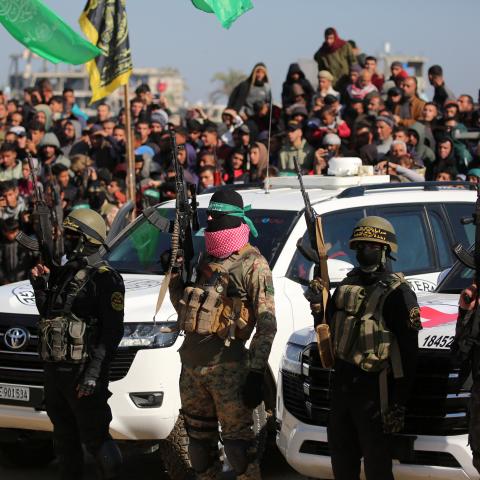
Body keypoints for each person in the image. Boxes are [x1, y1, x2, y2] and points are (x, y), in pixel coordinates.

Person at [169, 190, 276, 480]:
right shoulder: (205, 257)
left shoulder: (253, 264)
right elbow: (182, 306)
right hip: (192, 368)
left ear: (231, 217)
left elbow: (267, 324)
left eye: (217, 214)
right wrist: (177, 273)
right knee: (199, 451)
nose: (211, 218)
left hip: (228, 368)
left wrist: (255, 372)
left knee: (238, 450)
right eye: (209, 213)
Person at [306, 216, 421, 480]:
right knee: (342, 461)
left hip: (376, 393)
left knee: (377, 465)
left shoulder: (398, 294)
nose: (362, 252)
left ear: (384, 250)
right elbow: (328, 327)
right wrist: (316, 303)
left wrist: (399, 403)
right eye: (358, 246)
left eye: (369, 246)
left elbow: (409, 353)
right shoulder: (348, 285)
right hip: (342, 388)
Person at [29, 208, 125, 480]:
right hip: (57, 371)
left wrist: (94, 375)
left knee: (96, 439)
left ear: (87, 238)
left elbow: (112, 332)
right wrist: (39, 286)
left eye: (72, 235)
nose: (67, 240)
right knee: (64, 438)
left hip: (83, 371)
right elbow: (50, 315)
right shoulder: (66, 272)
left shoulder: (106, 278)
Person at [313, 27, 355, 91]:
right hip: (331, 85)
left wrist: (353, 78)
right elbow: (321, 70)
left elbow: (353, 63)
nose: (329, 41)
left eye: (331, 38)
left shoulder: (345, 46)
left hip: (346, 82)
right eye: (327, 38)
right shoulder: (322, 52)